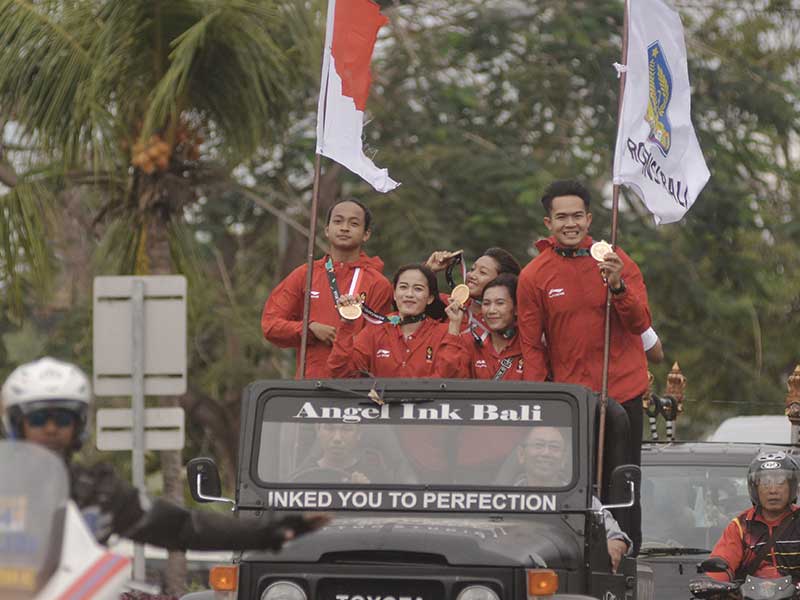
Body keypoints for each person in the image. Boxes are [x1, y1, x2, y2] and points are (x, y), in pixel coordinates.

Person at [1, 357, 328, 551]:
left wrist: (269, 532)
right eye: (38, 418)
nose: (51, 429)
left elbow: (183, 527)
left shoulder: (97, 492)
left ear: (79, 425)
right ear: (17, 424)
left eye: (62, 418)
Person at [517, 179, 651, 553]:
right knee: (577, 482)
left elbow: (642, 323)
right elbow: (531, 346)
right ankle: (575, 553)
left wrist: (618, 285)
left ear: (590, 218)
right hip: (573, 400)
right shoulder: (534, 275)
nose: (570, 224)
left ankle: (627, 557)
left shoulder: (616, 260)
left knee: (622, 481)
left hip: (622, 391)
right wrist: (540, 402)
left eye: (577, 215)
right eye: (562, 217)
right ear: (548, 223)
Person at [261, 198, 394, 378]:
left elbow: (381, 341)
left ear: (366, 234)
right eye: (338, 221)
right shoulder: (306, 274)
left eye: (353, 223)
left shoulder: (378, 283)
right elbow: (270, 325)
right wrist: (309, 329)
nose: (344, 228)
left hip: (356, 387)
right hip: (310, 385)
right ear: (327, 230)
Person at [515, 427, 632, 573]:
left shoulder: (584, 500)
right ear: (521, 454)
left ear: (563, 459)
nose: (546, 453)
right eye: (538, 445)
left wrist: (613, 546)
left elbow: (618, 538)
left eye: (554, 447)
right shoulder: (502, 499)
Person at [327, 263, 450, 378]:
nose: (409, 294)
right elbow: (340, 372)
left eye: (418, 289)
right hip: (380, 401)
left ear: (429, 298)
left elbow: (451, 376)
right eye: (403, 287)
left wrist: (454, 327)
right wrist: (347, 323)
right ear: (395, 294)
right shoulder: (375, 331)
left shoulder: (443, 333)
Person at [707, 451, 800, 583]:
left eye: (780, 482)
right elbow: (723, 562)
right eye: (765, 482)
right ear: (754, 488)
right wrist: (714, 583)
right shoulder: (741, 526)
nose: (773, 490)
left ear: (792, 487)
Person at [426, 247, 521, 345]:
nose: (471, 275)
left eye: (482, 272)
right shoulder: (449, 306)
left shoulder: (505, 321)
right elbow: (418, 300)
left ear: (501, 280)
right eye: (472, 269)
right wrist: (429, 270)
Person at [438, 273, 524, 380]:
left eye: (500, 303)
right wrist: (454, 325)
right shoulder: (470, 342)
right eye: (486, 303)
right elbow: (447, 376)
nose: (491, 310)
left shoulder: (529, 346)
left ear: (516, 308)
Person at [292, 423, 386, 484]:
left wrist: (367, 493)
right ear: (318, 431)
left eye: (346, 429)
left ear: (359, 434)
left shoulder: (375, 477)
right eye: (329, 428)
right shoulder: (301, 476)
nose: (337, 438)